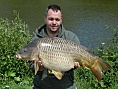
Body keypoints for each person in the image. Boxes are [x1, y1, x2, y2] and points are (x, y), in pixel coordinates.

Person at [29, 4, 80, 89]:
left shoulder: (71, 38)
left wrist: (75, 65)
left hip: (66, 86)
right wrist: (39, 68)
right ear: (45, 19)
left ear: (61, 20)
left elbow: (75, 64)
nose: (54, 23)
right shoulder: (36, 41)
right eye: (51, 19)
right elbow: (30, 67)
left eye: (57, 19)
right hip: (42, 86)